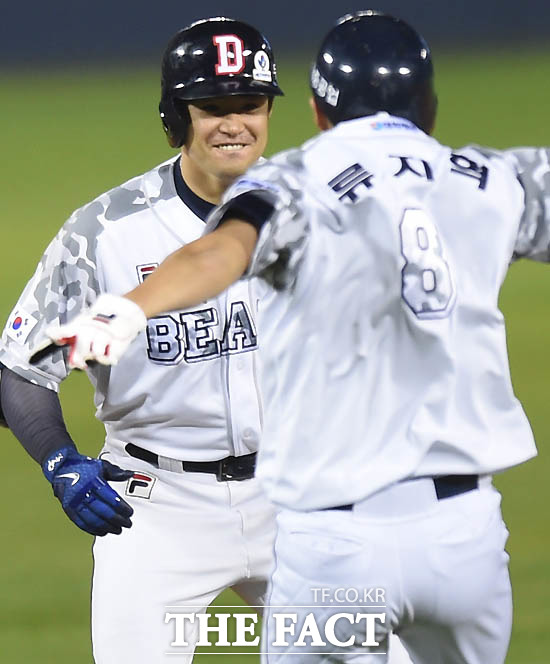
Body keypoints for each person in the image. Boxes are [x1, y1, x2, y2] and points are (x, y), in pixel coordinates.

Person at [38, 10, 550, 663]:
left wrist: (132, 309)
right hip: (465, 536)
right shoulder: (490, 180)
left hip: (329, 532)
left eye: (248, 103)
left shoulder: (295, 184)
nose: (234, 122)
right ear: (430, 105)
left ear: (313, 110)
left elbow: (218, 252)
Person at [0, 17, 284, 664]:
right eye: (213, 107)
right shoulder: (107, 231)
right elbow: (21, 369)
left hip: (292, 498)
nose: (234, 123)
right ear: (176, 116)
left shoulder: (307, 209)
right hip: (157, 508)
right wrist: (60, 462)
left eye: (250, 104)